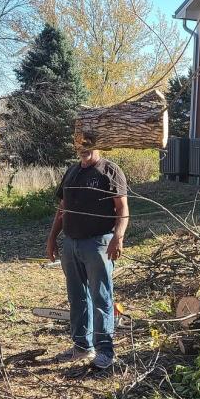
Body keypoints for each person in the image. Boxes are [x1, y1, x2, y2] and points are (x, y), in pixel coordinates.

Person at [45, 147, 129, 370]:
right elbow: (62, 208)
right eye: (80, 145)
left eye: (88, 144)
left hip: (98, 243)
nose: (84, 150)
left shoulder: (110, 171)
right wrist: (53, 237)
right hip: (71, 243)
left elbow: (122, 208)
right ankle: (82, 346)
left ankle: (105, 351)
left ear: (98, 145)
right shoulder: (72, 171)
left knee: (101, 297)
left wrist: (118, 237)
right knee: (77, 297)